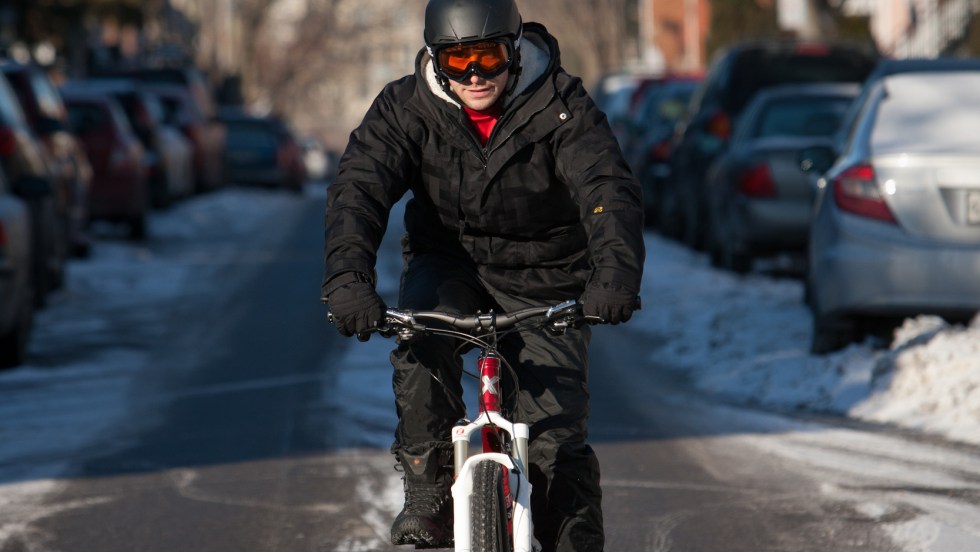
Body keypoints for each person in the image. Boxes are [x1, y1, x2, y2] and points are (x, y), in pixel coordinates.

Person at [321, 0, 644, 549]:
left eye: (488, 57)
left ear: (513, 52)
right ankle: (429, 491)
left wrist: (613, 276)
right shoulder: (405, 108)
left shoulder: (561, 104)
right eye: (457, 59)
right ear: (435, 59)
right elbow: (358, 191)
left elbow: (607, 189)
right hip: (449, 263)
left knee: (555, 445)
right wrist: (347, 279)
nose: (474, 75)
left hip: (547, 272)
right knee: (422, 349)